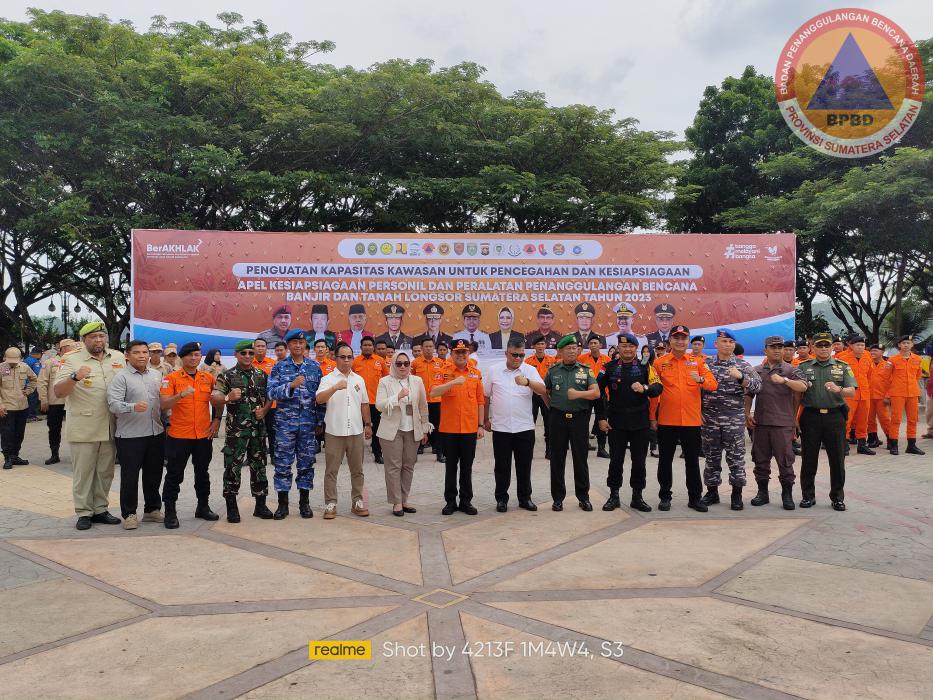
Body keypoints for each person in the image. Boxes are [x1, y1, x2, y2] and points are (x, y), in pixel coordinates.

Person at [54, 321, 126, 530]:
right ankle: (84, 512)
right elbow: (58, 392)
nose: (98, 340)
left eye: (101, 336)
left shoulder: (118, 357)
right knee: (84, 472)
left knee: (105, 471)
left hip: (111, 425)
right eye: (93, 337)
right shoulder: (70, 359)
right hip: (84, 426)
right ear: (84, 339)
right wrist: (75, 377)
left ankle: (100, 509)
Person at [652, 324, 718, 512]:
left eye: (683, 338)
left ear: (687, 341)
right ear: (670, 340)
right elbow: (654, 394)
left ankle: (694, 498)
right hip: (667, 420)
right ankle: (665, 496)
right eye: (676, 338)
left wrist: (701, 380)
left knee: (692, 461)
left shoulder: (697, 362)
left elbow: (713, 384)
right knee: (665, 460)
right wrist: (652, 418)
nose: (680, 341)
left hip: (691, 421)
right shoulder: (659, 363)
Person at [595, 333, 661, 512]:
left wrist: (645, 388)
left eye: (631, 346)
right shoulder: (608, 367)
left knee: (639, 461)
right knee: (615, 461)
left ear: (635, 348)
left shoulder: (645, 367)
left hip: (640, 422)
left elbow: (657, 387)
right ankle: (613, 495)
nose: (627, 349)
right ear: (618, 348)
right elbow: (597, 392)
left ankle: (637, 496)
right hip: (616, 421)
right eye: (623, 346)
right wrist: (601, 417)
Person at [159, 342, 221, 528]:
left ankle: (203, 507)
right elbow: (163, 405)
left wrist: (217, 419)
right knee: (174, 474)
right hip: (179, 435)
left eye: (197, 355)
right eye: (190, 355)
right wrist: (180, 396)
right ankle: (170, 511)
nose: (194, 358)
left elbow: (218, 399)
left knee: (202, 473)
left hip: (203, 434)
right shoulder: (171, 379)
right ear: (181, 357)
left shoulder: (208, 378)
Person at [699, 329, 762, 510]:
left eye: (730, 342)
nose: (727, 345)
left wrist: (741, 378)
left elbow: (758, 386)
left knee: (735, 458)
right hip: (710, 419)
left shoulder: (742, 365)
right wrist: (699, 411)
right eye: (723, 341)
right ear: (716, 344)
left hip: (733, 419)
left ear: (734, 345)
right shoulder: (706, 364)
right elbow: (696, 389)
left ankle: (736, 495)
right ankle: (712, 492)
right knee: (711, 457)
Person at [212, 340, 273, 523]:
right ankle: (232, 506)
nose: (247, 356)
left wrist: (265, 410)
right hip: (236, 433)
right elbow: (214, 398)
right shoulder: (227, 375)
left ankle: (260, 505)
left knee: (259, 467)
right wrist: (227, 397)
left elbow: (269, 398)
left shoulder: (262, 375)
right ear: (237, 355)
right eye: (243, 353)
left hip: (258, 431)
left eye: (250, 353)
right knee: (232, 468)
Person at [107, 339, 165, 529]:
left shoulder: (157, 375)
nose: (142, 356)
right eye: (137, 352)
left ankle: (152, 509)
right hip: (130, 436)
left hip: (156, 433)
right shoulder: (121, 377)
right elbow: (113, 404)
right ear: (127, 355)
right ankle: (129, 514)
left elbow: (162, 403)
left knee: (154, 474)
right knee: (130, 476)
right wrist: (133, 407)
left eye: (144, 352)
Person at [267, 329, 325, 519]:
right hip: (285, 425)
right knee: (283, 464)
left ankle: (304, 503)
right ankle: (283, 504)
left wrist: (320, 420)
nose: (298, 346)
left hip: (308, 425)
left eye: (301, 343)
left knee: (306, 465)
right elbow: (271, 393)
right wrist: (290, 386)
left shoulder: (314, 367)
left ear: (305, 346)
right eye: (294, 343)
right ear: (288, 345)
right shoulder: (279, 367)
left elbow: (320, 397)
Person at [483, 338, 546, 512]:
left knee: (524, 465)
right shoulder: (494, 370)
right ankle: (501, 499)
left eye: (521, 355)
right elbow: (486, 396)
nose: (518, 358)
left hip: (524, 427)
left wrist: (527, 382)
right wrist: (485, 419)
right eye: (514, 355)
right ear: (506, 354)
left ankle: (525, 498)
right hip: (501, 427)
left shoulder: (530, 370)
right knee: (502, 466)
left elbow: (543, 390)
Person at [747, 336, 809, 510]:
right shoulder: (756, 370)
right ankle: (762, 493)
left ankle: (787, 495)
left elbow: (803, 387)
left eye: (780, 347)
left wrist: (785, 381)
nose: (777, 350)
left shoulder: (791, 370)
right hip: (761, 423)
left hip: (783, 424)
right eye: (773, 347)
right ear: (765, 350)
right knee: (760, 460)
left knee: (785, 462)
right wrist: (746, 413)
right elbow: (748, 394)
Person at [797, 332, 857, 510]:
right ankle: (808, 496)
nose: (823, 348)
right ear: (812, 347)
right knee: (809, 458)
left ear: (832, 348)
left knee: (837, 459)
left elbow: (851, 392)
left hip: (835, 416)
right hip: (811, 416)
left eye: (826, 345)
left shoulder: (842, 366)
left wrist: (838, 389)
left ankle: (837, 497)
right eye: (819, 345)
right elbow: (797, 394)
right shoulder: (803, 367)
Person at [314, 342, 371, 519]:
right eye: (342, 357)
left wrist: (368, 424)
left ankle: (358, 502)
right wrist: (334, 388)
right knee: (331, 471)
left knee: (358, 469)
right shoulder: (328, 379)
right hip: (334, 432)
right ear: (335, 357)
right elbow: (319, 400)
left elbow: (364, 404)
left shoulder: (358, 380)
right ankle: (331, 503)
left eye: (349, 357)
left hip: (355, 431)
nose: (346, 361)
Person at [545, 335, 601, 512]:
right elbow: (545, 392)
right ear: (560, 351)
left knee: (580, 458)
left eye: (574, 348)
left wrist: (578, 394)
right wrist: (553, 407)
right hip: (557, 418)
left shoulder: (586, 370)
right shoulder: (553, 371)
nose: (572, 351)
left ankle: (583, 497)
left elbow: (596, 393)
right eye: (567, 348)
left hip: (579, 419)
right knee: (557, 458)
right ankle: (558, 498)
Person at [431, 339, 485, 515]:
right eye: (457, 352)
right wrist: (453, 383)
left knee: (467, 467)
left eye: (464, 352)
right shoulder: (443, 372)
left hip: (469, 428)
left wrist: (480, 425)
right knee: (451, 466)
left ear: (468, 354)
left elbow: (480, 400)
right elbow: (433, 392)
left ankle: (466, 501)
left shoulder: (475, 373)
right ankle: (450, 501)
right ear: (451, 354)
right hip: (449, 429)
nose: (461, 355)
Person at [376, 349, 431, 516]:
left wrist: (424, 427)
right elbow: (379, 405)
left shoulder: (417, 381)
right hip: (392, 430)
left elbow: (423, 405)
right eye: (399, 363)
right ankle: (396, 502)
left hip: (412, 429)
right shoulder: (385, 381)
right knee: (393, 466)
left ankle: (405, 499)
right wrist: (397, 397)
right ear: (393, 364)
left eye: (406, 363)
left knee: (408, 465)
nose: (402, 366)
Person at [37, 338, 76, 464]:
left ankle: (77, 456)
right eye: (71, 347)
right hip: (56, 401)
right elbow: (42, 382)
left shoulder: (78, 362)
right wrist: (43, 399)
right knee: (54, 428)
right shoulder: (50, 363)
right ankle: (54, 454)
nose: (74, 349)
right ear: (63, 348)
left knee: (76, 429)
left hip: (74, 401)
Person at [835, 335, 875, 455]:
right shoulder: (843, 359)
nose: (860, 347)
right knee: (847, 419)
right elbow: (838, 377)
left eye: (862, 345)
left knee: (863, 420)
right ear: (851, 346)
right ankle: (844, 444)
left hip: (864, 394)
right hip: (849, 394)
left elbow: (870, 376)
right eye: (857, 345)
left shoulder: (867, 358)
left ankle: (862, 444)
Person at [352, 336, 389, 464]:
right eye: (365, 345)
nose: (367, 347)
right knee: (357, 429)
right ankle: (356, 456)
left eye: (369, 345)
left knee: (378, 429)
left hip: (376, 402)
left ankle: (378, 454)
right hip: (359, 402)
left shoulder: (380, 361)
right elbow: (350, 380)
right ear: (361, 347)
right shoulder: (355, 362)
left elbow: (386, 380)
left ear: (373, 347)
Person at [887, 335, 925, 455]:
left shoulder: (918, 359)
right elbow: (886, 377)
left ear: (912, 345)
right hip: (897, 393)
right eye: (903, 343)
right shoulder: (892, 359)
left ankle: (911, 445)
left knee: (913, 419)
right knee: (896, 419)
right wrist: (887, 393)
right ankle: (894, 445)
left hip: (913, 393)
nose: (906, 345)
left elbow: (918, 375)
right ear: (899, 345)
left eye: (908, 343)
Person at [1, 347, 38, 469]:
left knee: (19, 433)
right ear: (5, 358)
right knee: (7, 434)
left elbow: (34, 379)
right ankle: (7, 458)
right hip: (7, 407)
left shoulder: (25, 367)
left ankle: (15, 456)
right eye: (10, 360)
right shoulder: (1, 368)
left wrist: (28, 391)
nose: (12, 362)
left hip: (22, 406)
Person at [412, 337, 447, 462]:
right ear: (421, 348)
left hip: (437, 400)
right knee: (419, 424)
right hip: (421, 400)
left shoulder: (441, 363)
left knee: (437, 426)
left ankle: (439, 452)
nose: (428, 349)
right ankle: (419, 448)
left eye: (430, 346)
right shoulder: (415, 363)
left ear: (434, 348)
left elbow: (445, 381)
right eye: (425, 346)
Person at [524, 336, 556, 458]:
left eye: (542, 344)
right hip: (532, 395)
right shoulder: (528, 361)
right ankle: (528, 450)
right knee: (529, 423)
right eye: (538, 344)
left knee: (549, 423)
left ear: (545, 345)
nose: (540, 346)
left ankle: (549, 451)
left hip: (546, 395)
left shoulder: (552, 360)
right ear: (533, 346)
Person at [580, 337, 610, 458]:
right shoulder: (582, 359)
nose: (593, 345)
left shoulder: (607, 359)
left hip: (601, 394)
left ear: (600, 345)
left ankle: (601, 448)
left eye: (595, 343)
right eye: (591, 343)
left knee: (601, 420)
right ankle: (584, 444)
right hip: (586, 393)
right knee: (583, 420)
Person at [867, 343, 892, 448]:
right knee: (869, 419)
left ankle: (891, 440)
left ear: (882, 352)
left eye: (875, 351)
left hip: (882, 398)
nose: (873, 353)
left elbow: (892, 383)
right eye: (871, 351)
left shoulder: (888, 366)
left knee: (885, 419)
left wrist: (888, 396)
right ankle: (873, 439)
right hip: (868, 396)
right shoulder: (867, 364)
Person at [640, 344, 659, 457]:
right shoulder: (639, 365)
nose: (646, 353)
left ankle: (653, 447)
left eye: (648, 351)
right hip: (642, 399)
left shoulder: (654, 366)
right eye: (644, 351)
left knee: (653, 423)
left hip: (654, 398)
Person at [24, 347, 42, 421]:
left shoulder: (25, 360)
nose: (41, 356)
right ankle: (31, 416)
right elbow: (38, 373)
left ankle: (26, 416)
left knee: (26, 400)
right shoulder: (35, 361)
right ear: (37, 354)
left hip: (24, 383)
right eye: (41, 354)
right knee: (33, 400)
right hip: (32, 384)